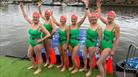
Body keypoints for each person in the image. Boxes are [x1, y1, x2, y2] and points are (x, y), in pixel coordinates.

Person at [20, 1, 50, 74]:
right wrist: (22, 8)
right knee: (29, 55)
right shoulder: (32, 22)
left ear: (38, 18)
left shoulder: (40, 25)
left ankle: (39, 69)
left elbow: (48, 34)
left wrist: (41, 39)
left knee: (38, 56)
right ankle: (34, 66)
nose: (35, 18)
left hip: (38, 43)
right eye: (34, 17)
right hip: (31, 42)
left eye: (36, 17)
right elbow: (25, 16)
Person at [96, 0, 120, 77]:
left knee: (98, 63)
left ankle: (102, 76)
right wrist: (99, 7)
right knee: (103, 62)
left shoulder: (116, 27)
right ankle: (104, 75)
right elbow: (99, 16)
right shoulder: (107, 23)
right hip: (103, 44)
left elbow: (117, 39)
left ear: (114, 18)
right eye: (108, 16)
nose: (109, 17)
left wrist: (113, 50)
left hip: (108, 46)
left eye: (111, 17)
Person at [80, 0, 102, 77]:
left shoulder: (98, 28)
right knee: (84, 56)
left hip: (92, 44)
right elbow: (88, 13)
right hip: (86, 42)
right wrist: (86, 5)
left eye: (95, 19)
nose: (93, 19)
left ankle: (90, 70)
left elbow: (100, 39)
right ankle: (85, 67)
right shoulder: (90, 23)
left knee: (91, 59)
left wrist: (98, 47)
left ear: (97, 19)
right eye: (92, 18)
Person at [38, 2, 56, 68]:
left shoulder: (51, 21)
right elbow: (40, 14)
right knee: (46, 51)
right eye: (45, 14)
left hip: (48, 38)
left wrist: (50, 35)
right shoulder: (45, 20)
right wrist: (39, 7)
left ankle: (52, 62)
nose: (46, 15)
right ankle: (47, 61)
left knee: (50, 50)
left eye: (47, 14)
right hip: (44, 37)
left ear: (49, 15)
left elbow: (54, 29)